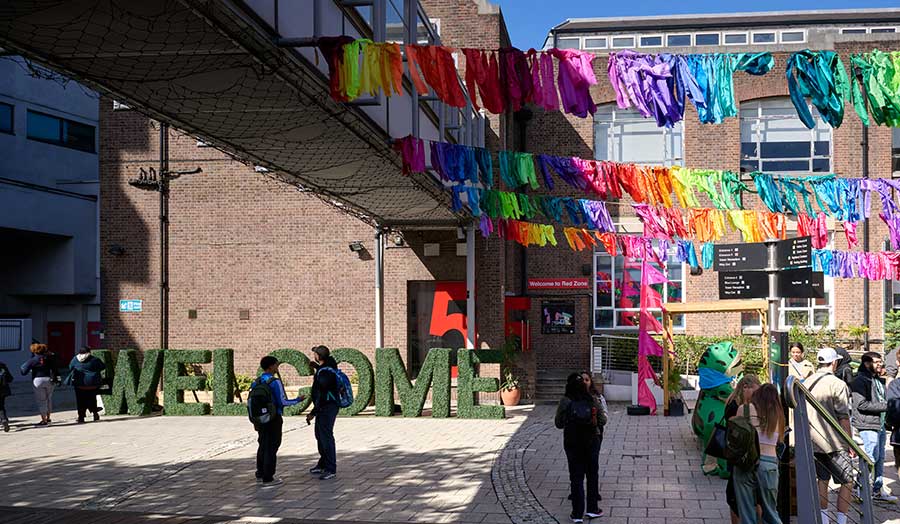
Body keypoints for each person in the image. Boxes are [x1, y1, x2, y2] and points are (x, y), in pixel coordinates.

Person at [807, 347, 855, 524]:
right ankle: (841, 520)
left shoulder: (805, 382)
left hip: (813, 440)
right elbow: (843, 417)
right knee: (847, 480)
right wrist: (851, 443)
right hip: (835, 442)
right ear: (834, 362)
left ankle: (824, 519)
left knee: (822, 480)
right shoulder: (837, 384)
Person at [555, 373, 605, 523]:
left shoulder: (565, 401)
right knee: (592, 474)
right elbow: (602, 420)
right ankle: (592, 509)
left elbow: (558, 423)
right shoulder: (592, 399)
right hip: (591, 441)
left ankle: (577, 514)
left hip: (573, 442)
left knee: (576, 477)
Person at [732, 383, 784, 524]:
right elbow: (780, 440)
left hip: (746, 463)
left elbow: (734, 432)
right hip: (769, 465)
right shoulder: (778, 415)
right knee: (771, 512)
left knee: (747, 513)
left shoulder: (744, 409)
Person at [851, 352, 897, 502]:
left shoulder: (877, 380)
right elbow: (861, 404)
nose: (880, 364)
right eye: (876, 362)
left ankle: (877, 489)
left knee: (880, 458)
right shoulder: (860, 380)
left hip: (880, 424)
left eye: (880, 362)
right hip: (867, 424)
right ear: (866, 363)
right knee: (870, 457)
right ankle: (859, 488)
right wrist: (887, 406)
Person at [252, 355, 301, 487]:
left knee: (262, 444)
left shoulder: (256, 381)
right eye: (276, 365)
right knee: (272, 446)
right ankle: (268, 477)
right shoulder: (275, 382)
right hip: (273, 418)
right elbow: (283, 402)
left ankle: (260, 473)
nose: (277, 367)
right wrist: (298, 400)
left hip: (259, 418)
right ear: (271, 366)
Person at [724, 375, 761, 524]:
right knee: (738, 494)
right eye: (756, 390)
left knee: (734, 493)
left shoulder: (731, 402)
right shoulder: (738, 406)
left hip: (734, 453)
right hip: (743, 454)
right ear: (747, 388)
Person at [308, 345, 340, 480]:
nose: (313, 355)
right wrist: (316, 367)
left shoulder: (324, 373)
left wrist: (313, 412)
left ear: (319, 357)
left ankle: (330, 468)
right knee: (320, 436)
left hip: (326, 407)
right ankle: (323, 464)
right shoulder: (329, 366)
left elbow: (322, 393)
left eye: (315, 353)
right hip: (327, 406)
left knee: (326, 437)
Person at [581, 371, 608, 502]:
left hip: (594, 434)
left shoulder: (597, 397)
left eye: (587, 380)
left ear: (591, 381)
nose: (584, 382)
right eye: (582, 380)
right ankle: (577, 489)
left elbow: (605, 417)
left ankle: (594, 492)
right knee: (578, 465)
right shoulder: (572, 398)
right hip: (578, 436)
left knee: (592, 464)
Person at [20, 343, 59, 426]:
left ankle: (43, 420)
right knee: (49, 399)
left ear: (34, 351)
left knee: (41, 401)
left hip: (38, 380)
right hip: (49, 380)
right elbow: (55, 370)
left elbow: (23, 371)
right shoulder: (49, 359)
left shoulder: (33, 360)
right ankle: (48, 417)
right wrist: (58, 380)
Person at [65, 347, 106, 423]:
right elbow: (103, 366)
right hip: (92, 384)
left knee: (80, 401)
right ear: (89, 352)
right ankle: (95, 414)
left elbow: (70, 367)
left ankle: (81, 417)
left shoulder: (75, 359)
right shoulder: (94, 359)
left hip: (79, 384)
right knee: (92, 399)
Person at [0, 361, 12, 432]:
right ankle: (4, 419)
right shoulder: (2, 365)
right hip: (3, 390)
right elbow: (10, 378)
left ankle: (4, 419)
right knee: (1, 405)